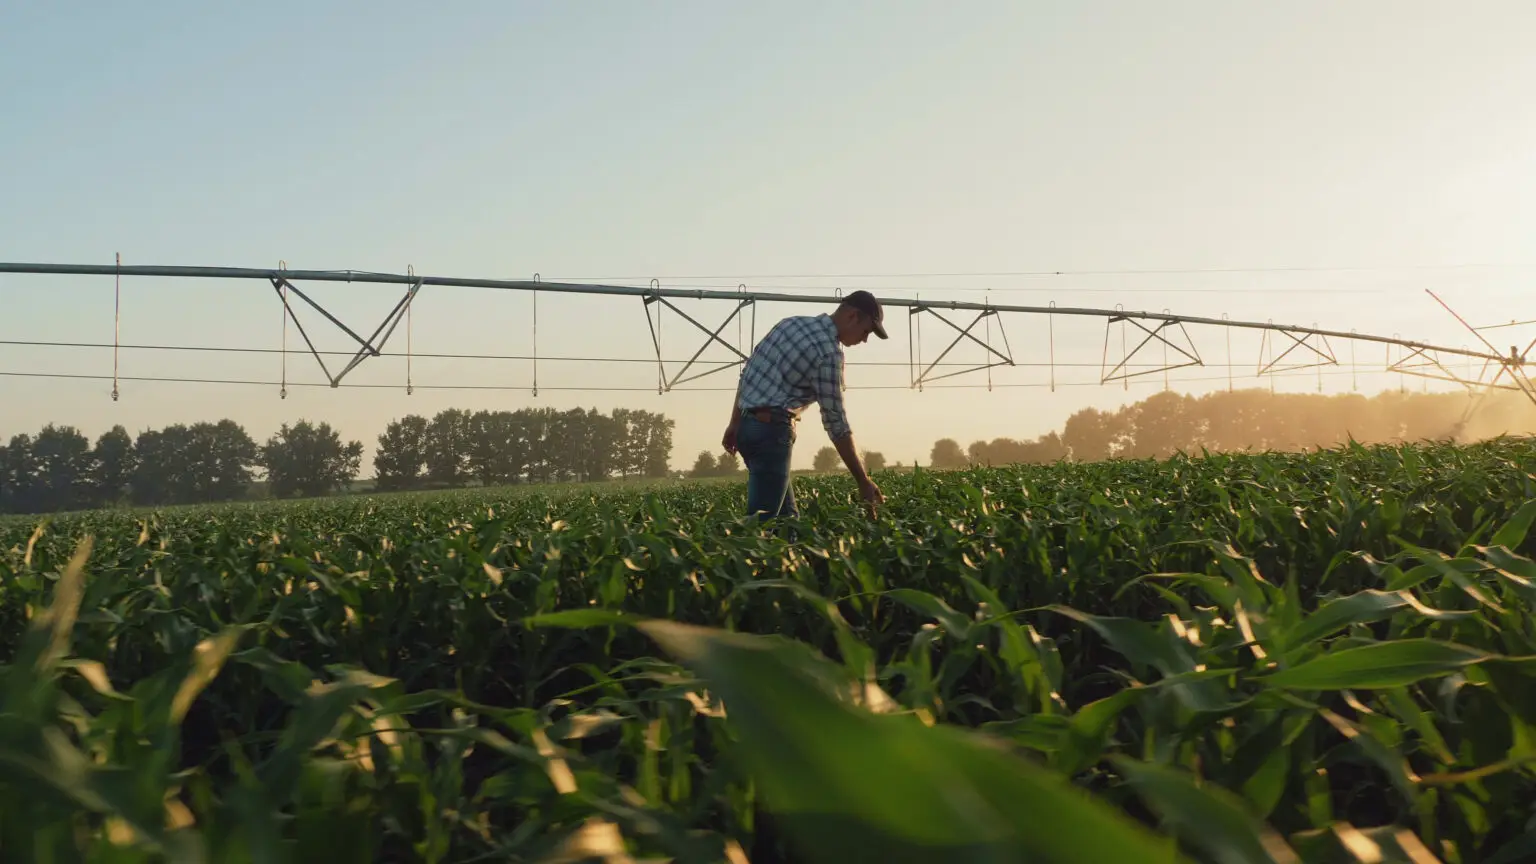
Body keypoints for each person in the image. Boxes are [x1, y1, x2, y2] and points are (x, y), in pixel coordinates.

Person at [721, 290, 888, 520]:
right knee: (760, 528)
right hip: (772, 434)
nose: (865, 339)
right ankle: (719, 555)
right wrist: (863, 480)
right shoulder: (828, 353)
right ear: (852, 316)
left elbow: (749, 374)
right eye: (866, 331)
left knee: (788, 523)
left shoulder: (790, 324)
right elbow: (836, 422)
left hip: (747, 429)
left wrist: (735, 423)